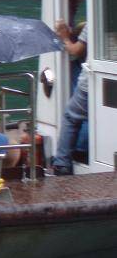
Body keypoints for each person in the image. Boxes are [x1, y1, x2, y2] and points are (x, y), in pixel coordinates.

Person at [52, 20, 88, 175]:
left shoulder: (93, 22)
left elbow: (75, 50)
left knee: (71, 117)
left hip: (89, 84)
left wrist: (64, 37)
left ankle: (62, 164)